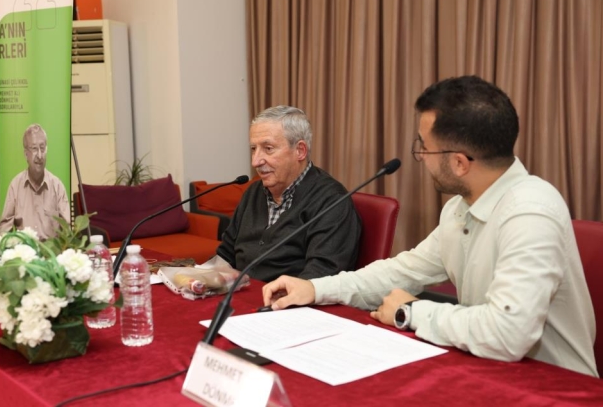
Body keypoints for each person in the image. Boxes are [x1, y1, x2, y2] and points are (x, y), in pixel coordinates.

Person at [262, 76, 599, 377]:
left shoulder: (531, 211)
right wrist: (315, 289)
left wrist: (410, 312)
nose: (420, 156)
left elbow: (509, 333)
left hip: (554, 386)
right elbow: (399, 273)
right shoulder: (459, 208)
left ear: (459, 163)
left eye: (424, 146)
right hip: (486, 369)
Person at [206, 105, 361, 282]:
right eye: (253, 149)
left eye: (268, 148)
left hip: (286, 298)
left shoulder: (331, 201)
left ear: (300, 151)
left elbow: (320, 277)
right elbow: (226, 254)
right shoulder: (253, 192)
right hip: (240, 292)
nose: (256, 161)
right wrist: (199, 277)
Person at [0, 124, 70, 241]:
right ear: (26, 154)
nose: (40, 155)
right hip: (24, 250)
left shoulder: (57, 186)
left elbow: (67, 232)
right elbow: (5, 231)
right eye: (34, 149)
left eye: (42, 148)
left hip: (51, 251)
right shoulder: (15, 186)